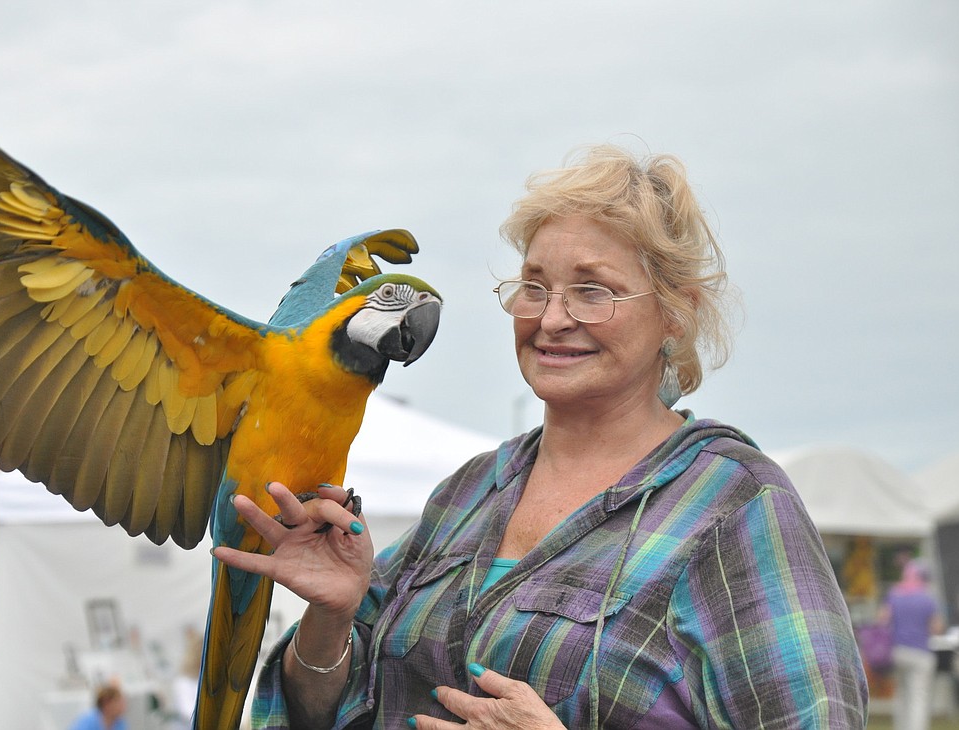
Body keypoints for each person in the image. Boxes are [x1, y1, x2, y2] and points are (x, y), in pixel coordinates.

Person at [213, 145, 869, 728]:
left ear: (675, 314)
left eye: (592, 290)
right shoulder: (466, 496)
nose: (552, 319)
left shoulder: (737, 509)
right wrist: (330, 624)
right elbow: (324, 708)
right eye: (534, 286)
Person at [879, 559, 945, 730]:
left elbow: (883, 620)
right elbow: (937, 628)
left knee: (901, 694)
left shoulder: (894, 594)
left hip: (898, 651)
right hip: (920, 653)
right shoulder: (927, 598)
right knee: (918, 698)